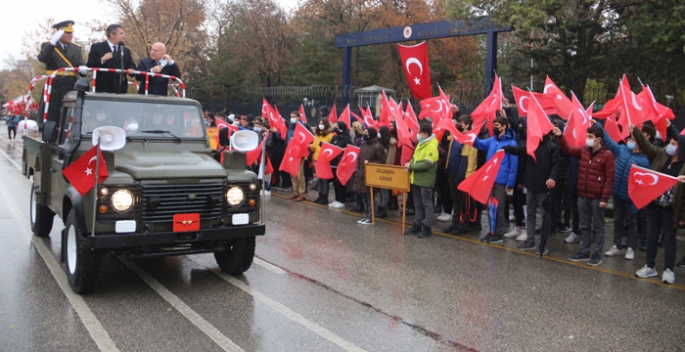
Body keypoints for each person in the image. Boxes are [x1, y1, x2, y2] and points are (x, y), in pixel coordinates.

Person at [555, 124, 615, 267]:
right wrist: (560, 137)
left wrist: (604, 198)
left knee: (598, 226)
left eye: (590, 137)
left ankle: (597, 254)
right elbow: (569, 149)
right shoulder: (584, 151)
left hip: (597, 197)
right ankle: (584, 251)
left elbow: (610, 178)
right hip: (583, 195)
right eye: (587, 136)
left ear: (598, 139)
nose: (587, 139)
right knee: (584, 225)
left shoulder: (607, 155)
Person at [632, 124, 685, 284]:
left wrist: (682, 216)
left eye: (675, 144)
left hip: (671, 210)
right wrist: (636, 131)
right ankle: (650, 266)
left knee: (669, 239)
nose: (670, 146)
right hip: (654, 205)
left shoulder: (683, 166)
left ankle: (668, 270)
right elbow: (647, 146)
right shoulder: (662, 154)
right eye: (671, 142)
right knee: (651, 236)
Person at [594, 122, 650, 260]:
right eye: (630, 139)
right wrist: (597, 125)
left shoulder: (644, 161)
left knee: (631, 222)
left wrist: (637, 205)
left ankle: (631, 247)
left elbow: (642, 186)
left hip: (631, 198)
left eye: (634, 140)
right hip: (618, 194)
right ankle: (616, 245)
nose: (630, 141)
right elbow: (608, 140)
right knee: (618, 221)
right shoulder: (622, 150)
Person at [503, 126, 562, 253]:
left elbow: (556, 165)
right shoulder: (532, 146)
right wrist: (507, 148)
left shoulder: (552, 147)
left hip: (543, 188)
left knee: (545, 216)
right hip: (530, 186)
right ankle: (530, 241)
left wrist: (552, 178)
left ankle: (543, 244)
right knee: (530, 214)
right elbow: (519, 149)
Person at [472, 116, 519, 243]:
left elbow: (513, 165)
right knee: (491, 207)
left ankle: (498, 234)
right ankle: (491, 232)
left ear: (504, 126)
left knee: (499, 208)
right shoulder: (492, 140)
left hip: (501, 180)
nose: (495, 128)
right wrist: (472, 136)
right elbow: (480, 144)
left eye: (497, 125)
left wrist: (510, 182)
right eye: (494, 125)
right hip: (490, 178)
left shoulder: (511, 143)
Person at [37, 20, 86, 123]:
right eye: (67, 33)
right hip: (54, 84)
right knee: (51, 112)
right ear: (59, 33)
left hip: (70, 84)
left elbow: (80, 64)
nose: (70, 35)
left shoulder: (76, 48)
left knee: (68, 115)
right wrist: (51, 44)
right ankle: (49, 133)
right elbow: (42, 58)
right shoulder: (49, 46)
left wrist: (83, 70)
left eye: (71, 33)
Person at [443, 114, 478, 236]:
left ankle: (463, 225)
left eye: (461, 123)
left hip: (462, 174)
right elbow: (444, 139)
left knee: (463, 201)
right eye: (458, 122)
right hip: (452, 171)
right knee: (456, 199)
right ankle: (455, 223)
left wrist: (469, 176)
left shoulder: (471, 139)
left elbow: (472, 160)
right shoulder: (455, 136)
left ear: (467, 125)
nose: (458, 125)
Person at [404, 123, 440, 238]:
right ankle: (417, 224)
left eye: (419, 132)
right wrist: (410, 162)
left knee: (427, 204)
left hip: (425, 179)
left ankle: (427, 227)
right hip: (416, 178)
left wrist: (411, 166)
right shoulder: (421, 143)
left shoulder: (431, 146)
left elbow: (427, 163)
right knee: (417, 204)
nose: (418, 134)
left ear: (425, 134)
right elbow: (415, 158)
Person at [86, 24, 136, 93]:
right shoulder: (97, 47)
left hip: (121, 90)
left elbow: (132, 66)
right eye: (121, 33)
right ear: (112, 35)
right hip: (103, 89)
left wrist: (132, 69)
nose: (123, 36)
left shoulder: (126, 51)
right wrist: (102, 60)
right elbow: (89, 65)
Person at [353, 127, 386, 225]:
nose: (364, 134)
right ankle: (366, 215)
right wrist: (358, 170)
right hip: (362, 173)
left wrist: (371, 163)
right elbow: (359, 160)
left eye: (366, 133)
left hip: (370, 175)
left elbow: (382, 162)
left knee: (370, 197)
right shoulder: (363, 145)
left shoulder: (377, 146)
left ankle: (371, 216)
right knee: (364, 197)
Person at [329, 122, 352, 208]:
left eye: (337, 126)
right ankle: (337, 199)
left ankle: (342, 200)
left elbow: (350, 148)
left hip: (341, 164)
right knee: (335, 183)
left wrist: (341, 149)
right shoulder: (335, 137)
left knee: (341, 183)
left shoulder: (346, 138)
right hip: (333, 163)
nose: (335, 127)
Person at [311, 119, 334, 204]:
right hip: (317, 159)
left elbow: (330, 147)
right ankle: (320, 195)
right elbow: (314, 146)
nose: (320, 125)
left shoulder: (330, 135)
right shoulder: (317, 135)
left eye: (322, 123)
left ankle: (325, 197)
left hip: (325, 160)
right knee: (319, 179)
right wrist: (311, 147)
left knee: (325, 180)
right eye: (319, 123)